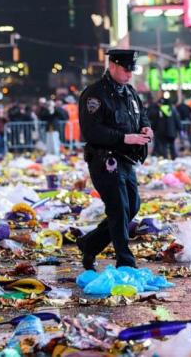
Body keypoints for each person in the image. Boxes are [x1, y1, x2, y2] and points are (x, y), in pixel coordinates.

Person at [76, 49, 152, 270]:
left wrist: (145, 127)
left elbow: (141, 114)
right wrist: (125, 137)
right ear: (113, 66)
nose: (129, 74)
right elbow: (92, 131)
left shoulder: (129, 93)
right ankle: (125, 262)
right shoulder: (95, 94)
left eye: (131, 70)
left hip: (127, 159)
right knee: (119, 208)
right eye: (126, 70)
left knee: (132, 206)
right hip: (104, 160)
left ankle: (89, 244)